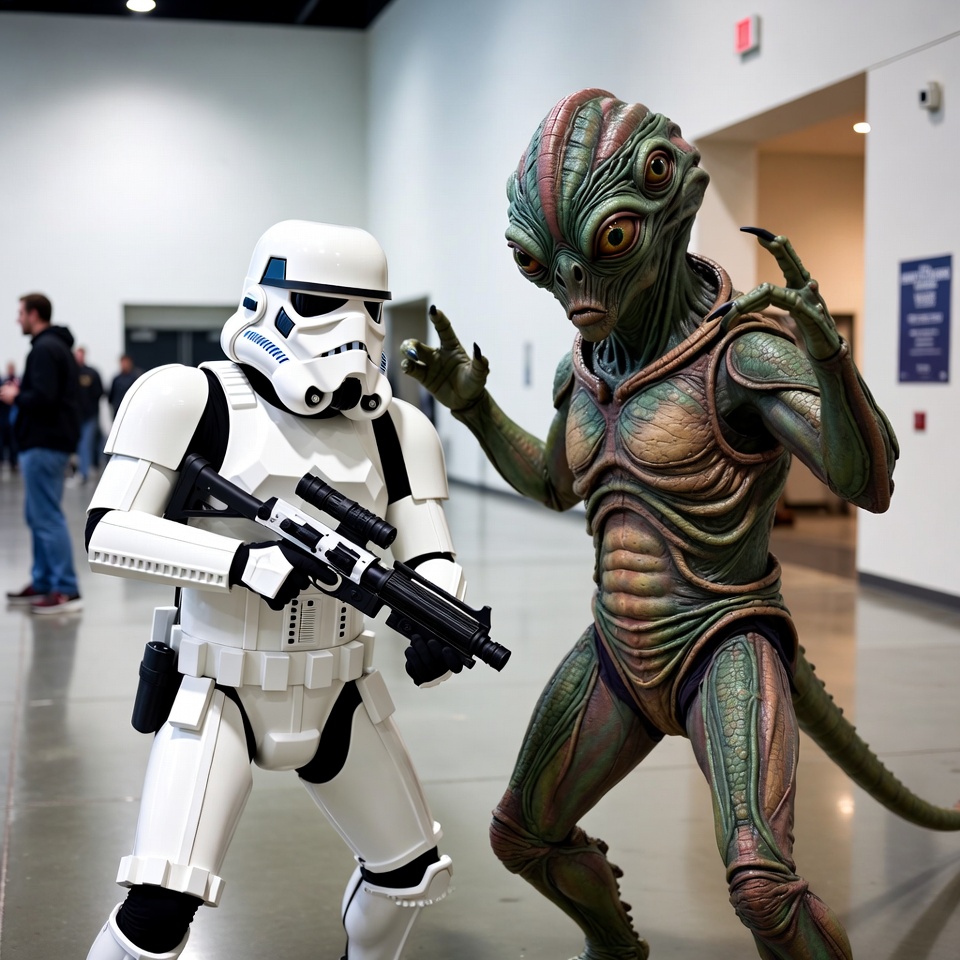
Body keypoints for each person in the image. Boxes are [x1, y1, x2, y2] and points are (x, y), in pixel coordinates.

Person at [401, 91, 959, 960]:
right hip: (617, 650)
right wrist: (473, 409)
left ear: (665, 215)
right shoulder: (582, 367)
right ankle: (616, 947)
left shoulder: (743, 350)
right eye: (544, 266)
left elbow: (868, 479)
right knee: (522, 834)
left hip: (723, 642)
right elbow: (555, 483)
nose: (576, 294)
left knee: (762, 888)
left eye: (606, 247)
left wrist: (828, 359)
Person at [84, 220, 480, 960]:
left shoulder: (399, 428)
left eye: (370, 310)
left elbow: (429, 551)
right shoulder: (188, 398)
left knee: (412, 876)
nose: (354, 331)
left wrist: (440, 611)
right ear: (265, 302)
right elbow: (107, 531)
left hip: (341, 688)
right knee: (159, 911)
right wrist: (240, 563)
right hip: (218, 686)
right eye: (322, 303)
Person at [2, 293, 82, 613]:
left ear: (34, 314)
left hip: (45, 444)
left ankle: (66, 588)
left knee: (46, 516)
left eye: (20, 312)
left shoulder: (46, 349)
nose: (17, 319)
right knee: (38, 516)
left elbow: (44, 398)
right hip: (46, 443)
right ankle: (44, 581)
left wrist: (15, 396)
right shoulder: (52, 347)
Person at [73, 347, 104, 485]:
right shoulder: (71, 372)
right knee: (79, 445)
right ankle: (82, 471)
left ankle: (84, 473)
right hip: (76, 417)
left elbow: (99, 392)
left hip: (89, 416)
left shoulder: (91, 373)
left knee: (86, 444)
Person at [107, 354, 142, 418]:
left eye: (126, 362)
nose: (124, 364)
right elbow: (111, 396)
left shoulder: (136, 377)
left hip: (132, 409)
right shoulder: (116, 379)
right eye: (123, 362)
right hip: (118, 409)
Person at [0, 361, 19, 472]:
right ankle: (3, 459)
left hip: (12, 417)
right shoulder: (4, 381)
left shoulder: (17, 381)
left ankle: (13, 461)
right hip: (4, 416)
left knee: (13, 441)